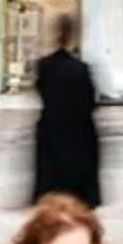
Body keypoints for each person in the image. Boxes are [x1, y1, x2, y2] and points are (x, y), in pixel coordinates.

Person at [31, 12, 100, 208]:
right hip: (79, 138)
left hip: (51, 137)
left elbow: (41, 93)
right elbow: (90, 102)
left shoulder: (45, 67)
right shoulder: (80, 69)